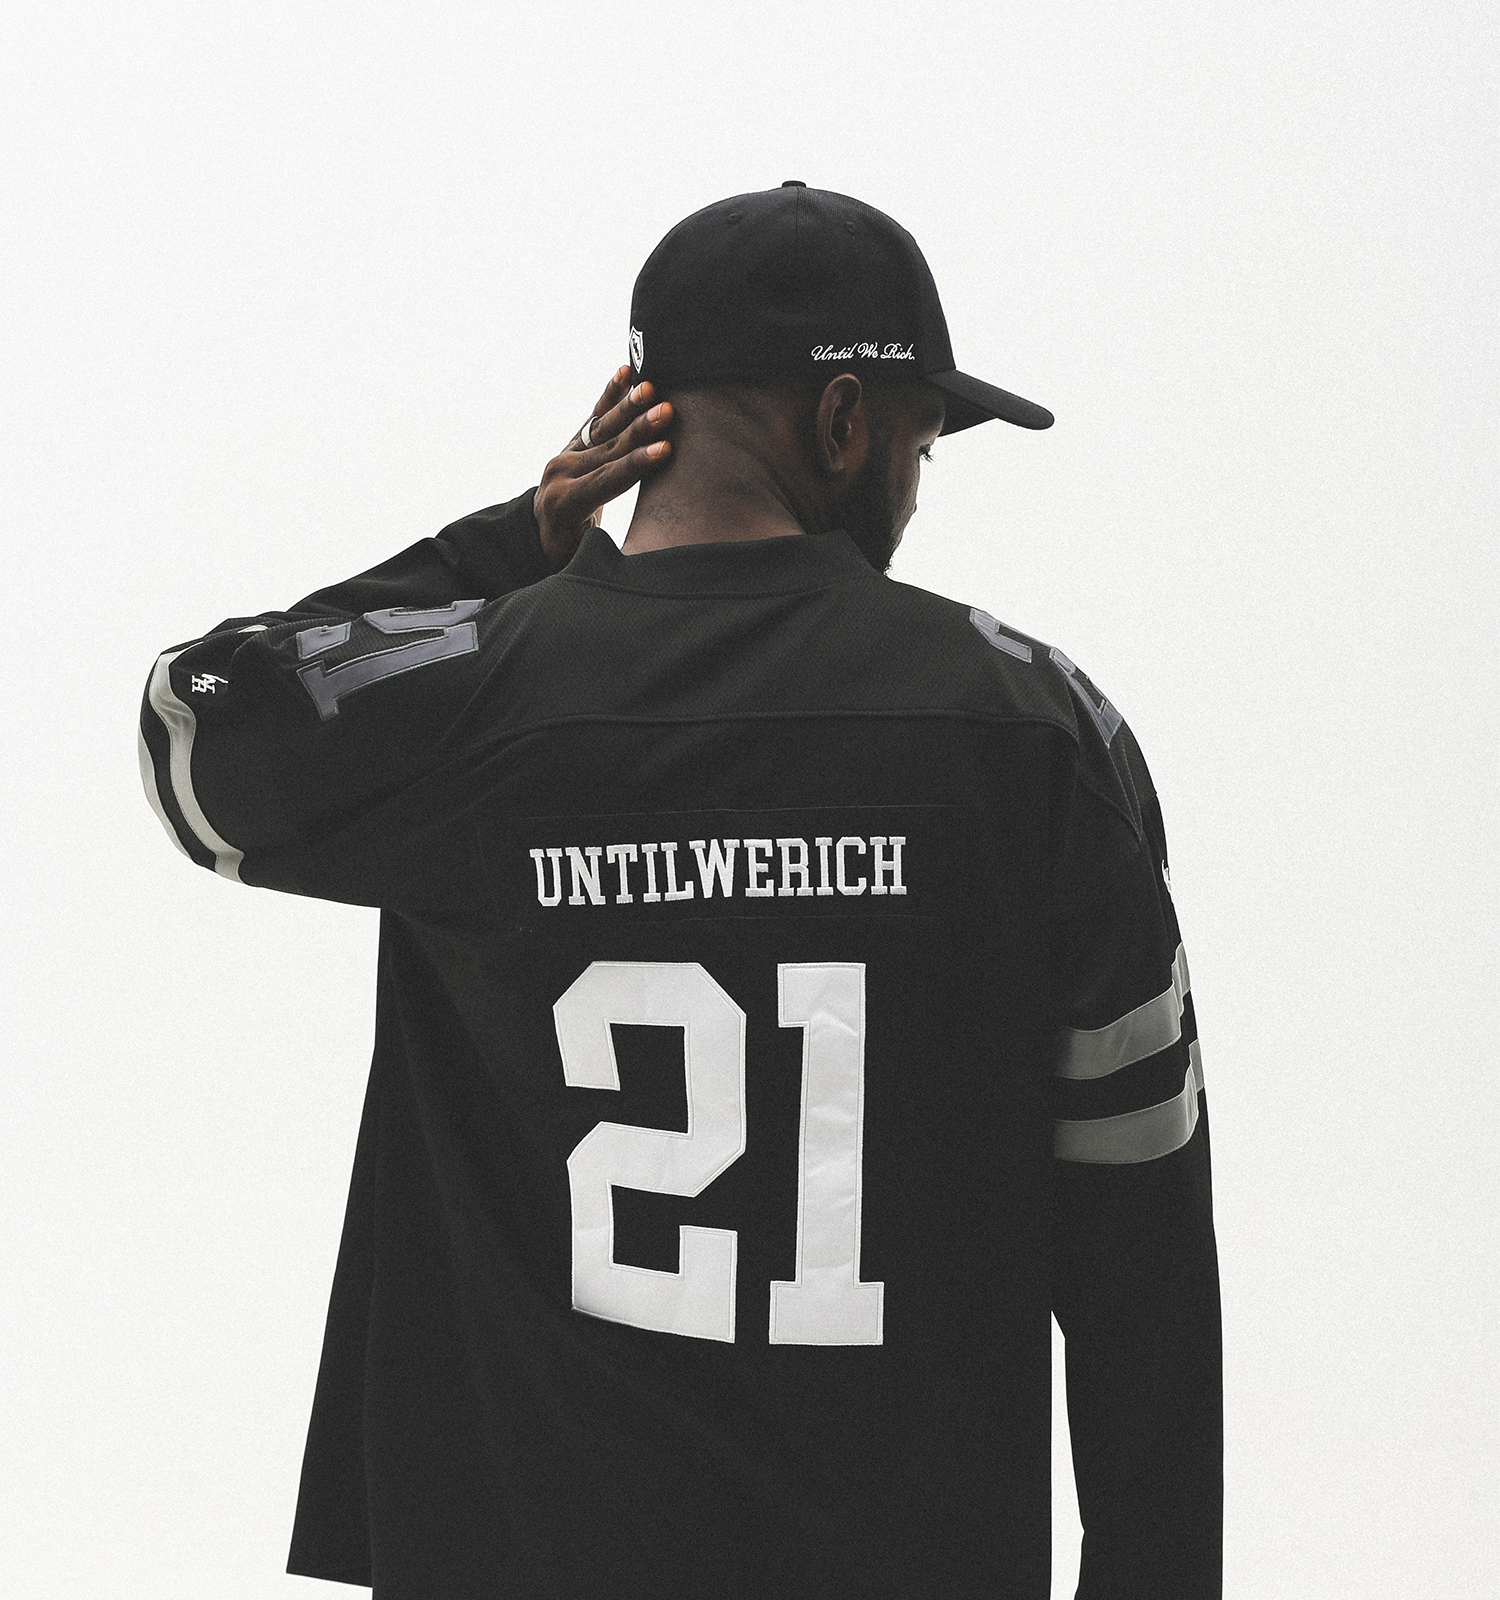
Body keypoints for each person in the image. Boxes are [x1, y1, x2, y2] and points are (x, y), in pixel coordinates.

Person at [140, 182, 1222, 1599]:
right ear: (842, 422)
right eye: (917, 444)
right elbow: (1140, 1241)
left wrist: (516, 538)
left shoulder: (474, 699)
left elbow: (195, 721)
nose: (912, 487)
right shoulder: (1034, 729)